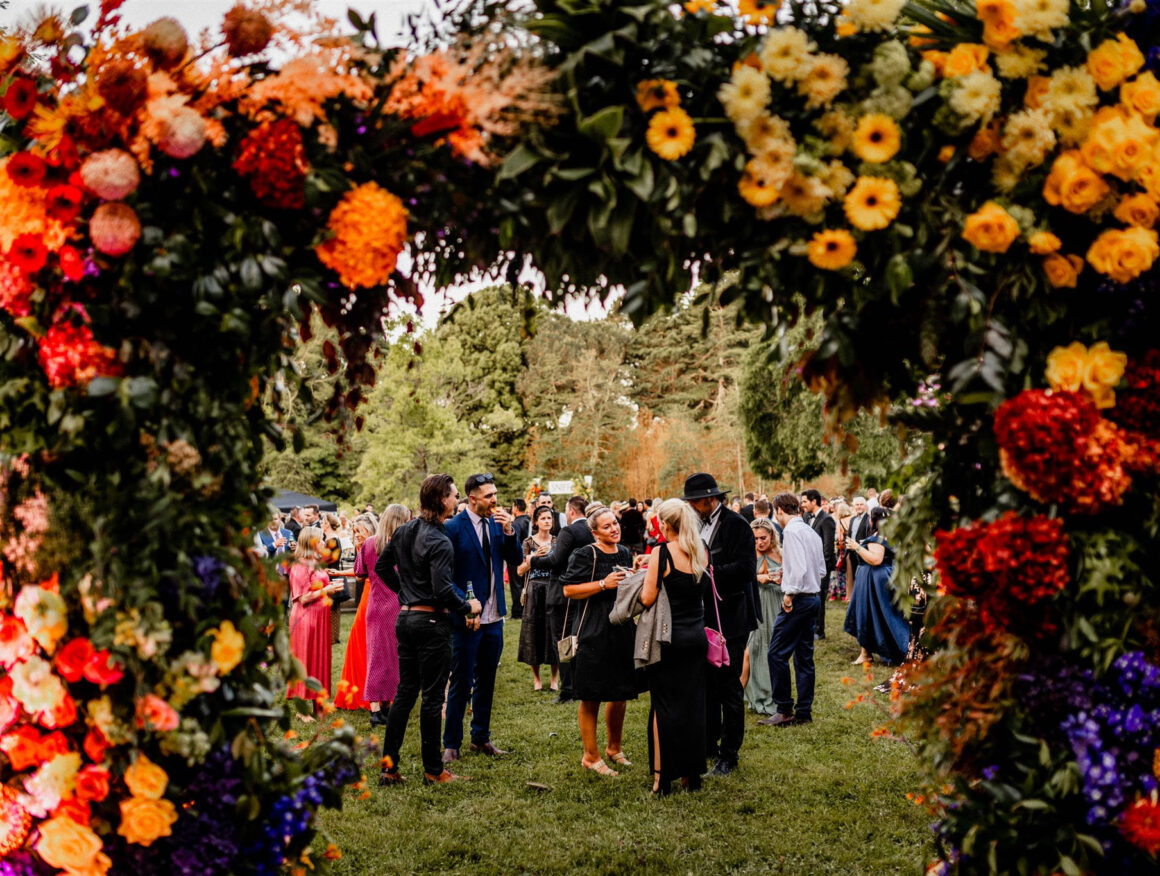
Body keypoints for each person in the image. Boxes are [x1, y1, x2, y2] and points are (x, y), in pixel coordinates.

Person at [377, 475, 481, 786]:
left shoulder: (406, 529)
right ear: (441, 500)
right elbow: (442, 590)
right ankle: (434, 770)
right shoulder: (439, 539)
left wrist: (405, 594)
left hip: (407, 620)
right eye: (454, 496)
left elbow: (382, 567)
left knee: (405, 693)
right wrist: (468, 606)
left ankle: (389, 768)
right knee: (433, 697)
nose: (457, 500)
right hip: (431, 622)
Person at [682, 472, 759, 777]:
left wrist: (707, 570)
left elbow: (746, 569)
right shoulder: (695, 524)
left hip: (732, 617)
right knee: (707, 686)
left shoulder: (736, 525)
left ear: (711, 498)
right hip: (703, 616)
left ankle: (730, 754)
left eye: (695, 501)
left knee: (729, 686)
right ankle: (709, 744)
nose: (691, 506)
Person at [442, 473, 521, 763]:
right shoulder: (452, 527)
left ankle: (481, 738)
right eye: (489, 496)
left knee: (487, 679)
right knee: (461, 680)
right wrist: (464, 605)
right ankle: (451, 743)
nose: (495, 500)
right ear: (472, 499)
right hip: (466, 618)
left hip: (494, 616)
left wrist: (511, 532)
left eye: (495, 494)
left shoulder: (499, 524)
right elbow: (444, 576)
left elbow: (514, 560)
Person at [560, 504, 638, 777]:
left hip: (621, 627)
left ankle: (613, 748)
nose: (614, 529)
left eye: (615, 523)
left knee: (621, 692)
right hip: (593, 629)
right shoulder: (585, 554)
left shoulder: (625, 552)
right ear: (594, 532)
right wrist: (604, 584)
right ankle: (590, 756)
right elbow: (569, 590)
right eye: (606, 526)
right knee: (591, 694)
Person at [639, 499, 708, 795]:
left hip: (668, 640)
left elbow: (646, 598)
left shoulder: (661, 552)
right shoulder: (699, 550)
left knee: (663, 706)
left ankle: (661, 777)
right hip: (696, 637)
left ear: (665, 525)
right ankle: (690, 775)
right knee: (693, 705)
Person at [759, 493, 825, 727]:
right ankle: (804, 712)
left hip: (797, 600)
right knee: (804, 657)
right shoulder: (811, 531)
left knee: (776, 653)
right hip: (812, 598)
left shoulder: (793, 532)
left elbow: (797, 569)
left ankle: (784, 708)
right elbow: (820, 570)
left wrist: (789, 594)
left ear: (778, 510)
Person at [530, 495, 592, 704]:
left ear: (571, 512)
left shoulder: (570, 530)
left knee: (563, 640)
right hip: (584, 589)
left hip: (562, 590)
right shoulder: (592, 529)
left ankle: (567, 690)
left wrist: (535, 560)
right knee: (576, 637)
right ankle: (578, 684)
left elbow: (556, 560)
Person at [286, 526, 346, 720]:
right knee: (305, 660)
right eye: (320, 540)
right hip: (305, 618)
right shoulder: (300, 564)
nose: (323, 543)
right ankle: (302, 711)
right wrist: (326, 590)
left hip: (319, 618)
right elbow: (302, 597)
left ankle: (318, 704)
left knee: (319, 659)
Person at [843, 506, 908, 665]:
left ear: (872, 520)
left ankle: (891, 650)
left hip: (874, 579)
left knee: (874, 614)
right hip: (879, 576)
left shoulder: (877, 538)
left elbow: (876, 559)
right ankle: (865, 653)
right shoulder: (889, 536)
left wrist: (856, 547)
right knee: (876, 615)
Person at [364, 504, 409, 726]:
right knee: (393, 657)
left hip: (374, 605)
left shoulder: (368, 544)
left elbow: (359, 571)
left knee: (375, 656)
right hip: (396, 603)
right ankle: (385, 705)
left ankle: (376, 707)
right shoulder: (402, 544)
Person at [335, 515, 378, 711]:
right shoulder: (365, 546)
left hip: (374, 595)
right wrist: (339, 573)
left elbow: (363, 575)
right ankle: (357, 691)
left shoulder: (378, 544)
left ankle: (372, 694)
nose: (356, 534)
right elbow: (360, 572)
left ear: (370, 529)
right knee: (357, 641)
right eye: (354, 531)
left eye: (360, 530)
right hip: (366, 596)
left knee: (369, 643)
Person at [516, 505, 559, 692]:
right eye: (543, 518)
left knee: (553, 631)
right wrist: (534, 557)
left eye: (549, 518)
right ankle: (537, 678)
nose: (547, 521)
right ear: (536, 522)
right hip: (534, 590)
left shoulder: (558, 542)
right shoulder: (528, 542)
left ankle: (554, 679)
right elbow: (519, 571)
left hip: (553, 588)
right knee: (534, 632)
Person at [744, 518, 781, 717]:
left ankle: (771, 694)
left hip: (776, 602)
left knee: (772, 649)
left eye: (763, 538)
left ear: (772, 536)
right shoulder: (749, 553)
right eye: (756, 538)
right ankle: (752, 693)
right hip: (755, 603)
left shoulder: (780, 554)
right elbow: (744, 575)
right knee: (752, 648)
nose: (759, 542)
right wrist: (761, 578)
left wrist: (781, 578)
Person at [801, 489, 835, 640]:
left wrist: (822, 569)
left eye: (804, 502)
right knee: (811, 596)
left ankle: (819, 631)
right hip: (808, 565)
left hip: (822, 567)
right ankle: (811, 626)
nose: (802, 505)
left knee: (820, 597)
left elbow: (828, 547)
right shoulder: (806, 516)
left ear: (814, 501)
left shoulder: (826, 520)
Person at [507, 498, 531, 619]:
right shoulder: (529, 520)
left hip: (518, 557)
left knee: (516, 585)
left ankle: (517, 611)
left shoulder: (517, 523)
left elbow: (513, 541)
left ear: (515, 507)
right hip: (529, 557)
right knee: (524, 584)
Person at [830, 500, 853, 602]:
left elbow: (839, 538)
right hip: (854, 546)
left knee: (843, 572)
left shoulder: (840, 522)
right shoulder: (853, 519)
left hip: (844, 549)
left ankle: (847, 595)